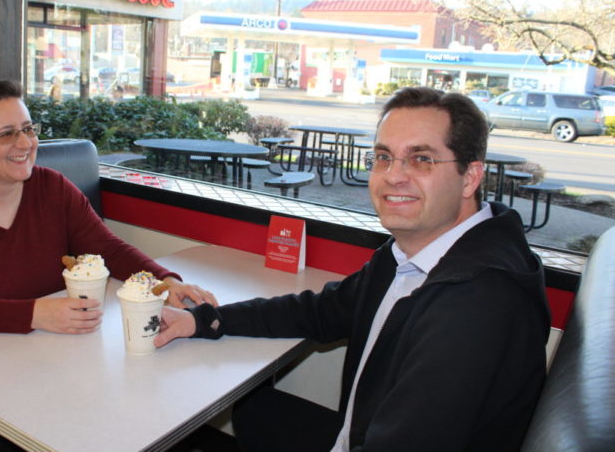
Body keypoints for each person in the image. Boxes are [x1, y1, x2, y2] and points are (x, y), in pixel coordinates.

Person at [156, 86, 551, 451]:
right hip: (358, 431)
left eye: (422, 159)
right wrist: (203, 321)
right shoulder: (412, 252)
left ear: (471, 177)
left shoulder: (477, 302)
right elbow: (322, 310)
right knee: (252, 406)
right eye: (383, 157)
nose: (393, 176)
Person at [0, 77, 217, 451]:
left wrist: (164, 281)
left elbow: (107, 249)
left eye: (29, 129)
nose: (25, 143)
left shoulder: (52, 189)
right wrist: (35, 314)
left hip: (29, 360)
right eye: (6, 134)